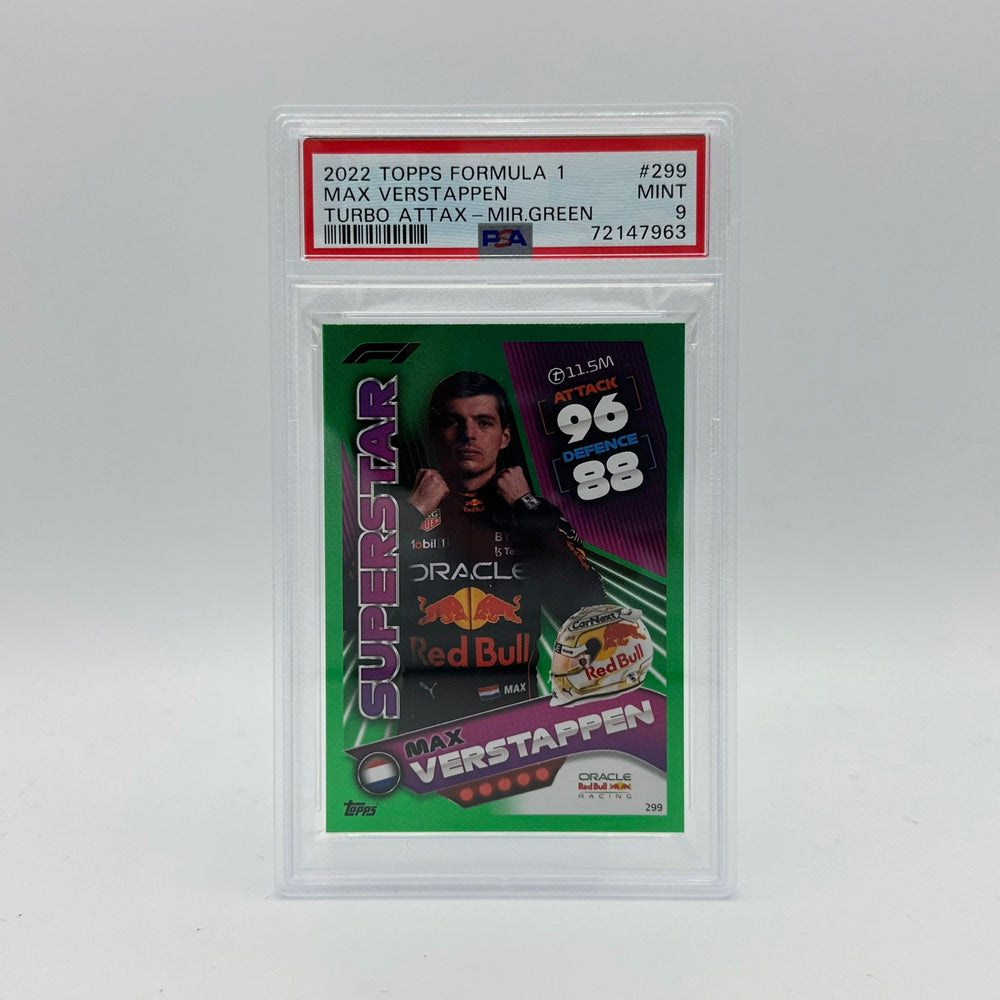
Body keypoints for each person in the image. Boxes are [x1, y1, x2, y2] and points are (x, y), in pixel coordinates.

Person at [395, 371, 606, 730]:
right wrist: (411, 513)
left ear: (504, 436)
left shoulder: (533, 513)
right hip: (424, 725)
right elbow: (354, 608)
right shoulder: (401, 513)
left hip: (513, 727)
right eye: (453, 422)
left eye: (484, 422)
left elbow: (588, 609)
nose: (468, 434)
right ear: (434, 433)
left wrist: (527, 509)